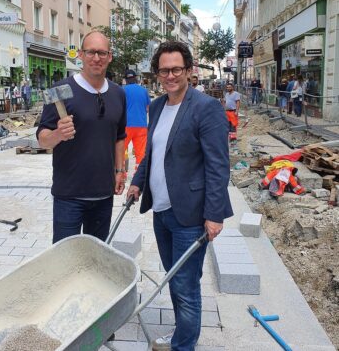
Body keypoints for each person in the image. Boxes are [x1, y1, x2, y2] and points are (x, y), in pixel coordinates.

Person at [127, 41, 233, 351]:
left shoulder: (206, 107)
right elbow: (152, 153)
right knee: (175, 278)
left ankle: (183, 345)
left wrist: (214, 215)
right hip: (162, 210)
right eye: (164, 71)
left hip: (191, 213)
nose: (170, 76)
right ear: (157, 73)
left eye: (176, 69)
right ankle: (182, 333)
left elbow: (218, 165)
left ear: (188, 70)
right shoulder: (158, 105)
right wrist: (137, 182)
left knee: (185, 285)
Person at [36, 31, 127, 243]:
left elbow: (119, 136)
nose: (96, 58)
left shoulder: (118, 94)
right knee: (66, 257)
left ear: (110, 57)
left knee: (96, 256)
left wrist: (120, 171)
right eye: (90, 52)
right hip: (69, 196)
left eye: (102, 53)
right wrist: (58, 134)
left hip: (103, 194)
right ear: (80, 55)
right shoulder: (59, 90)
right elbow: (42, 139)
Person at [123, 68, 151, 173]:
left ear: (125, 80)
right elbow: (148, 108)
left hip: (126, 126)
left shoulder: (122, 90)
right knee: (141, 153)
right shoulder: (143, 90)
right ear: (135, 78)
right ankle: (139, 176)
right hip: (141, 126)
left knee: (121, 151)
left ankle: (122, 175)